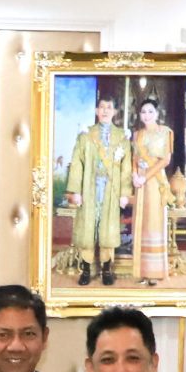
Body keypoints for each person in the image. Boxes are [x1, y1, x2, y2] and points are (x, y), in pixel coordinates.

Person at [64, 93, 131, 287]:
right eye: (102, 107)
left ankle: (106, 269)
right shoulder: (86, 136)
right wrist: (76, 190)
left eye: (109, 108)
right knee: (87, 228)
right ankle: (86, 269)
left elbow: (126, 167)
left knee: (108, 229)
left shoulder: (122, 137)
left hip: (111, 189)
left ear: (115, 112)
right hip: (89, 188)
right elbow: (77, 163)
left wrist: (125, 193)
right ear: (96, 110)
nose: (105, 111)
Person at [128, 98, 175, 286]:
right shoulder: (137, 135)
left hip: (155, 181)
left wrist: (145, 177)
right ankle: (142, 271)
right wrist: (134, 175)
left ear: (157, 113)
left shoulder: (165, 132)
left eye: (150, 111)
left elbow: (165, 160)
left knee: (154, 222)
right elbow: (134, 158)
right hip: (140, 182)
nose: (146, 115)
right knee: (141, 223)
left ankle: (155, 272)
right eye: (143, 112)